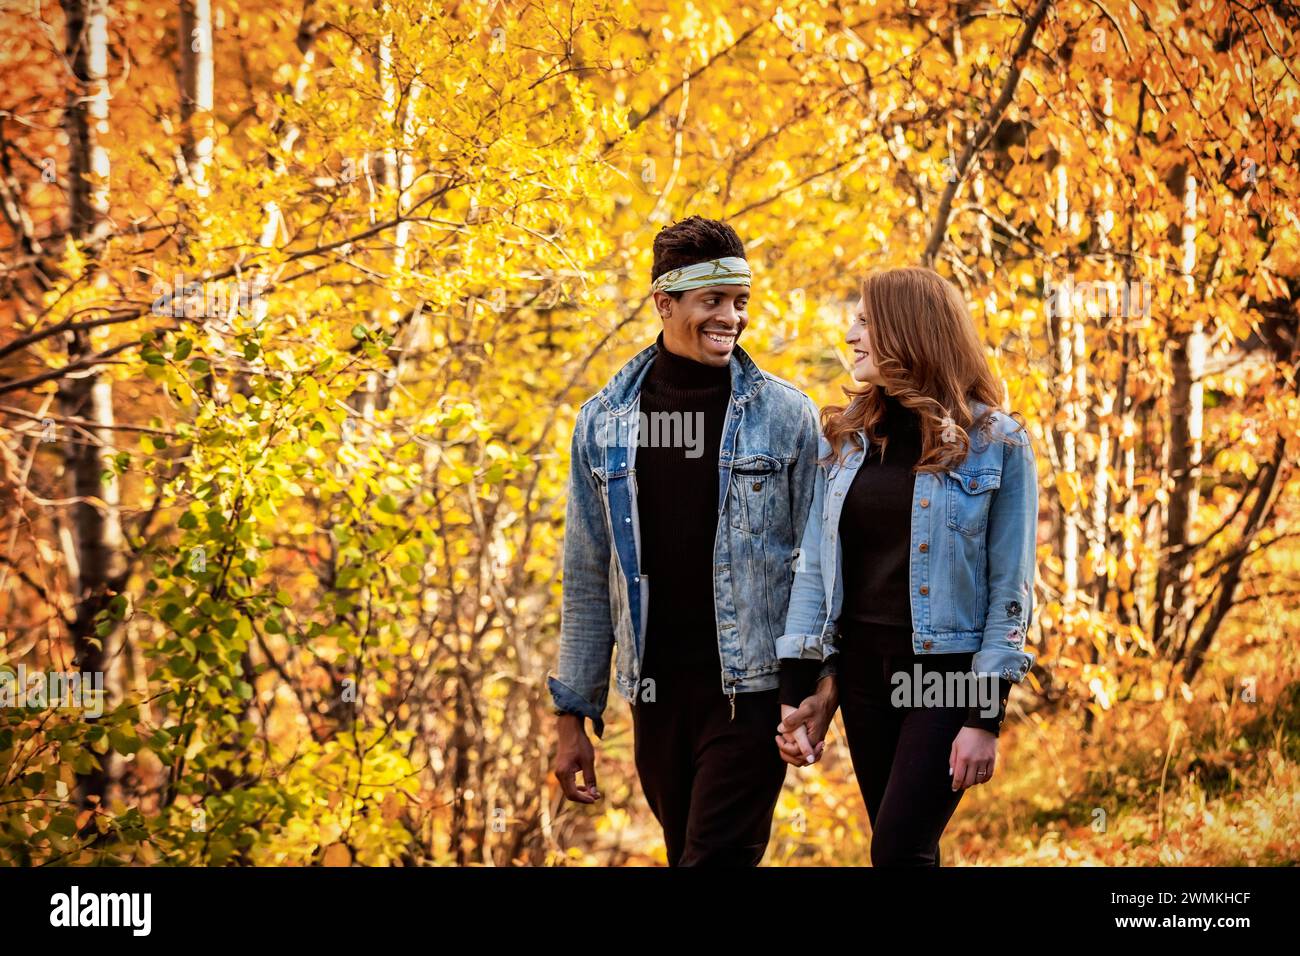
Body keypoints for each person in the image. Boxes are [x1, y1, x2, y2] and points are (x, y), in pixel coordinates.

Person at [549, 215, 834, 865]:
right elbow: (588, 574)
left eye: (740, 302)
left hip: (751, 696)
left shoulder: (786, 416)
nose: (731, 317)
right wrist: (572, 718)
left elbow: (821, 567)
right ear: (664, 303)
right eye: (713, 301)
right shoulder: (606, 421)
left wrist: (815, 689)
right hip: (654, 700)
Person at [777, 266, 1039, 866]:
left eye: (865, 320)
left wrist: (985, 716)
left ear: (909, 330)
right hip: (864, 675)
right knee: (902, 852)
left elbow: (1010, 587)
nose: (851, 335)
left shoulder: (995, 440)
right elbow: (815, 571)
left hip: (946, 675)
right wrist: (804, 690)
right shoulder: (843, 442)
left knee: (898, 847)